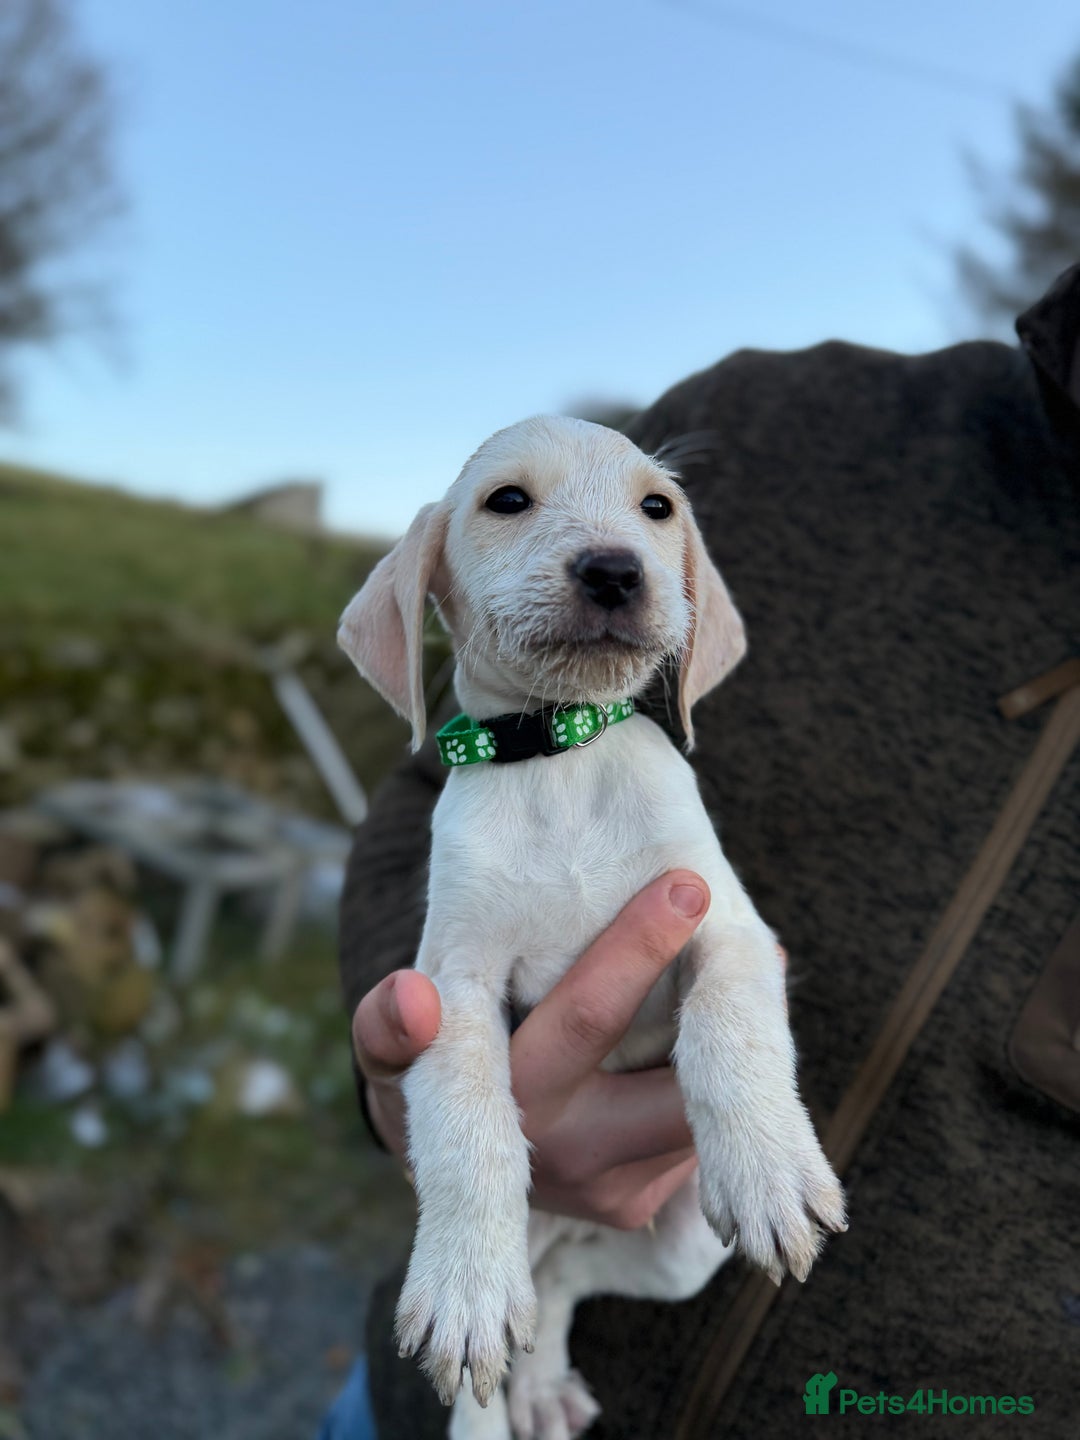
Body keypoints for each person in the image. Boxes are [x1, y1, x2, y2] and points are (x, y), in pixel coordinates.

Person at [335, 264, 1079, 1438]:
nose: (610, 552)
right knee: (480, 1291)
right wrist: (414, 1112)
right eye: (511, 504)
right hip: (466, 1244)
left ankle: (557, 1303)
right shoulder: (784, 419)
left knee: (681, 1254)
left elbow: (729, 950)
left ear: (692, 598)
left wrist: (748, 1110)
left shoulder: (653, 774)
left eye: (652, 513)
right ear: (427, 592)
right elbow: (449, 992)